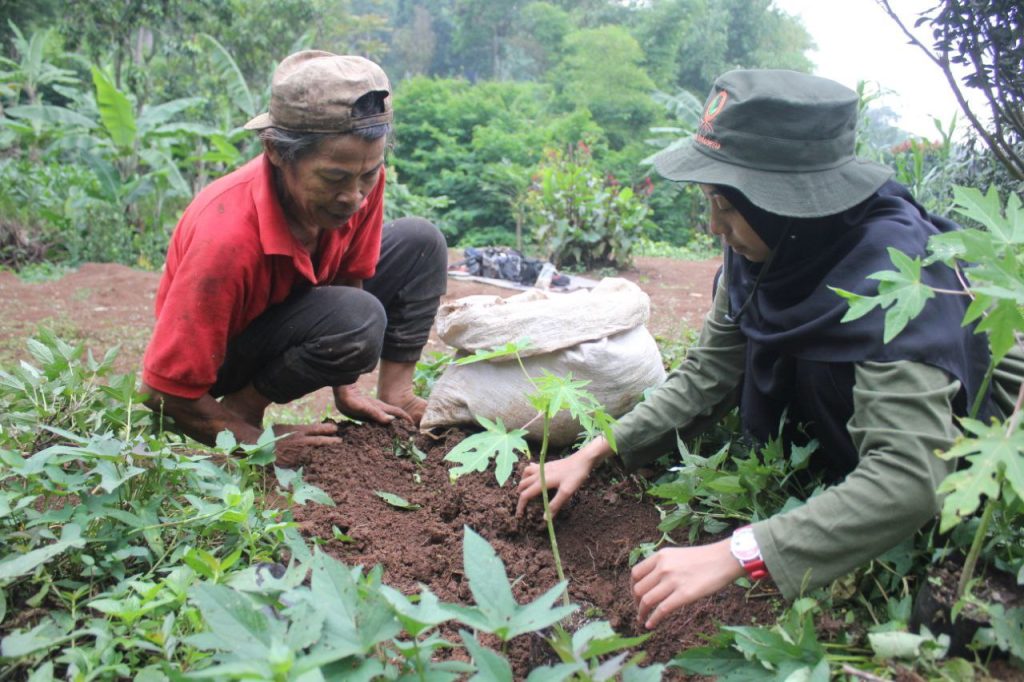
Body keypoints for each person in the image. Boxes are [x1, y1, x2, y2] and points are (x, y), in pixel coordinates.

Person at [516, 69, 1021, 629]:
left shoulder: (899, 281)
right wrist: (593, 452)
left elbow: (909, 476)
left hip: (975, 460)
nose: (714, 227)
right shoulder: (767, 250)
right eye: (712, 204)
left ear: (788, 203)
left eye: (727, 209)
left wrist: (739, 552)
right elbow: (709, 370)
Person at [141, 50, 447, 453]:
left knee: (420, 242)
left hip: (304, 302)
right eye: (334, 178)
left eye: (368, 175)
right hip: (227, 353)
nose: (354, 197)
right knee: (360, 317)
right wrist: (257, 442)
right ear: (276, 152)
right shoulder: (226, 238)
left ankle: (397, 393)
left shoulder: (357, 179)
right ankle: (242, 406)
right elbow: (160, 392)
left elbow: (349, 277)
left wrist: (347, 387)